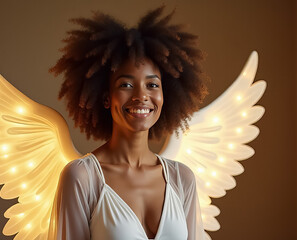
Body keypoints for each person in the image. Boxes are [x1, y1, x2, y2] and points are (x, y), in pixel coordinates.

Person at [48, 5, 208, 240]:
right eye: (126, 84)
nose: (141, 96)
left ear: (166, 95)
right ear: (105, 97)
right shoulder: (82, 178)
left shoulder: (182, 179)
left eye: (152, 85)